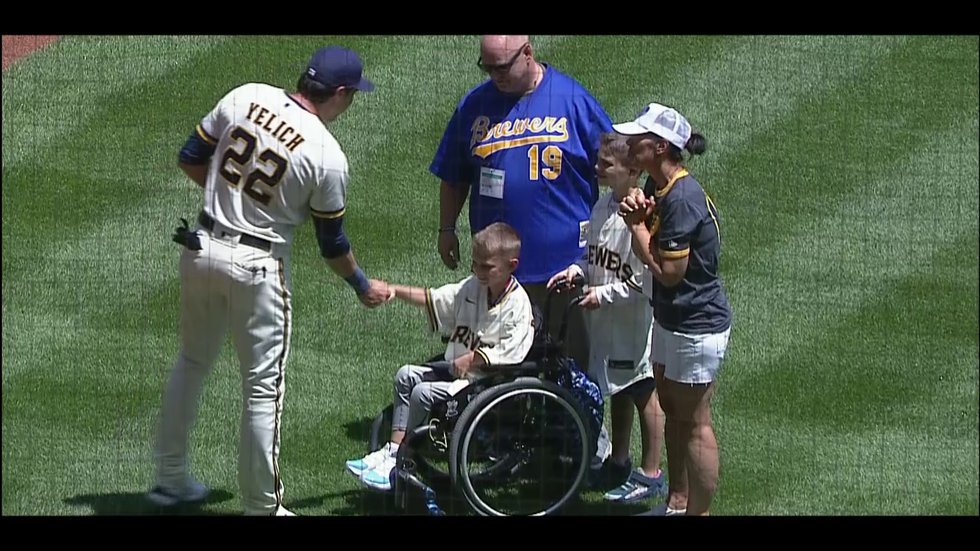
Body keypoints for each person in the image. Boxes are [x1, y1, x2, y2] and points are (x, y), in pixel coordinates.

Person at [148, 46, 392, 516]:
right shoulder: (326, 154)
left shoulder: (246, 95)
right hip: (257, 270)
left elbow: (190, 156)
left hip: (200, 246)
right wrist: (361, 284)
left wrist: (229, 197)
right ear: (339, 94)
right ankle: (264, 507)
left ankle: (169, 479)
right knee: (263, 388)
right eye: (352, 96)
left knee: (191, 361)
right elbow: (332, 244)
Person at [429, 35, 613, 376]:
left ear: (527, 53)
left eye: (502, 66)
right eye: (487, 67)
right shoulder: (474, 105)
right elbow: (453, 174)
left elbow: (617, 160)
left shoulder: (571, 99)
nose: (495, 75)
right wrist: (446, 228)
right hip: (497, 273)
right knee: (495, 363)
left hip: (564, 271)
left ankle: (582, 429)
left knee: (571, 365)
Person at [345, 222, 534, 492]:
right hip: (457, 375)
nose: (478, 271)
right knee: (405, 375)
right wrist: (395, 291)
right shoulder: (473, 287)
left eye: (486, 266)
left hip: (487, 384)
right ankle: (392, 452)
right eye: (475, 263)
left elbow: (514, 352)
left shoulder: (518, 305)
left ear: (511, 265)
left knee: (422, 393)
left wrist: (472, 359)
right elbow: (435, 298)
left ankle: (401, 459)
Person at [616, 103, 732, 516]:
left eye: (637, 139)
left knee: (695, 420)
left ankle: (697, 513)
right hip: (671, 318)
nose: (628, 144)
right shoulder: (656, 184)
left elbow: (669, 273)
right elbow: (645, 251)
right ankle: (678, 503)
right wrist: (639, 222)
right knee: (671, 407)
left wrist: (637, 226)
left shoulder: (682, 198)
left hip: (696, 325)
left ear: (661, 146)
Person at [548, 132, 666, 503]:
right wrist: (577, 271)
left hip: (629, 321)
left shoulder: (639, 214)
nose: (597, 168)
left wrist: (603, 293)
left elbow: (644, 278)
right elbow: (596, 258)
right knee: (616, 386)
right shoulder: (602, 205)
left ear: (632, 170)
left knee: (641, 389)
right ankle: (618, 459)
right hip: (603, 321)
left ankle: (650, 472)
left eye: (605, 164)